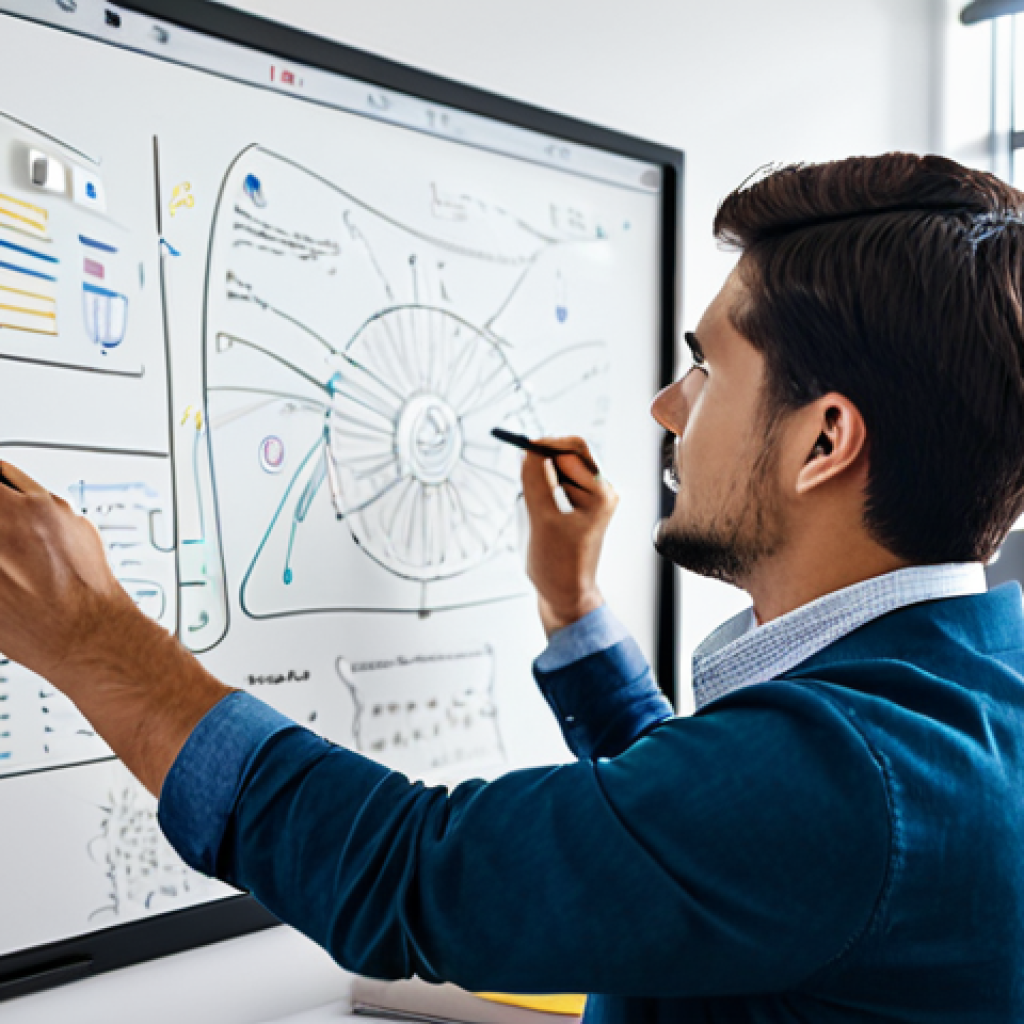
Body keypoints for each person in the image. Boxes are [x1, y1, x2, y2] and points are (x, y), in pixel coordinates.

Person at [1, 152, 1023, 1022]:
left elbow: (408, 879)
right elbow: (691, 841)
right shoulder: (970, 693)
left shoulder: (846, 781)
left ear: (825, 439)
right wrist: (573, 607)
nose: (669, 408)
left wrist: (93, 633)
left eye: (707, 369)